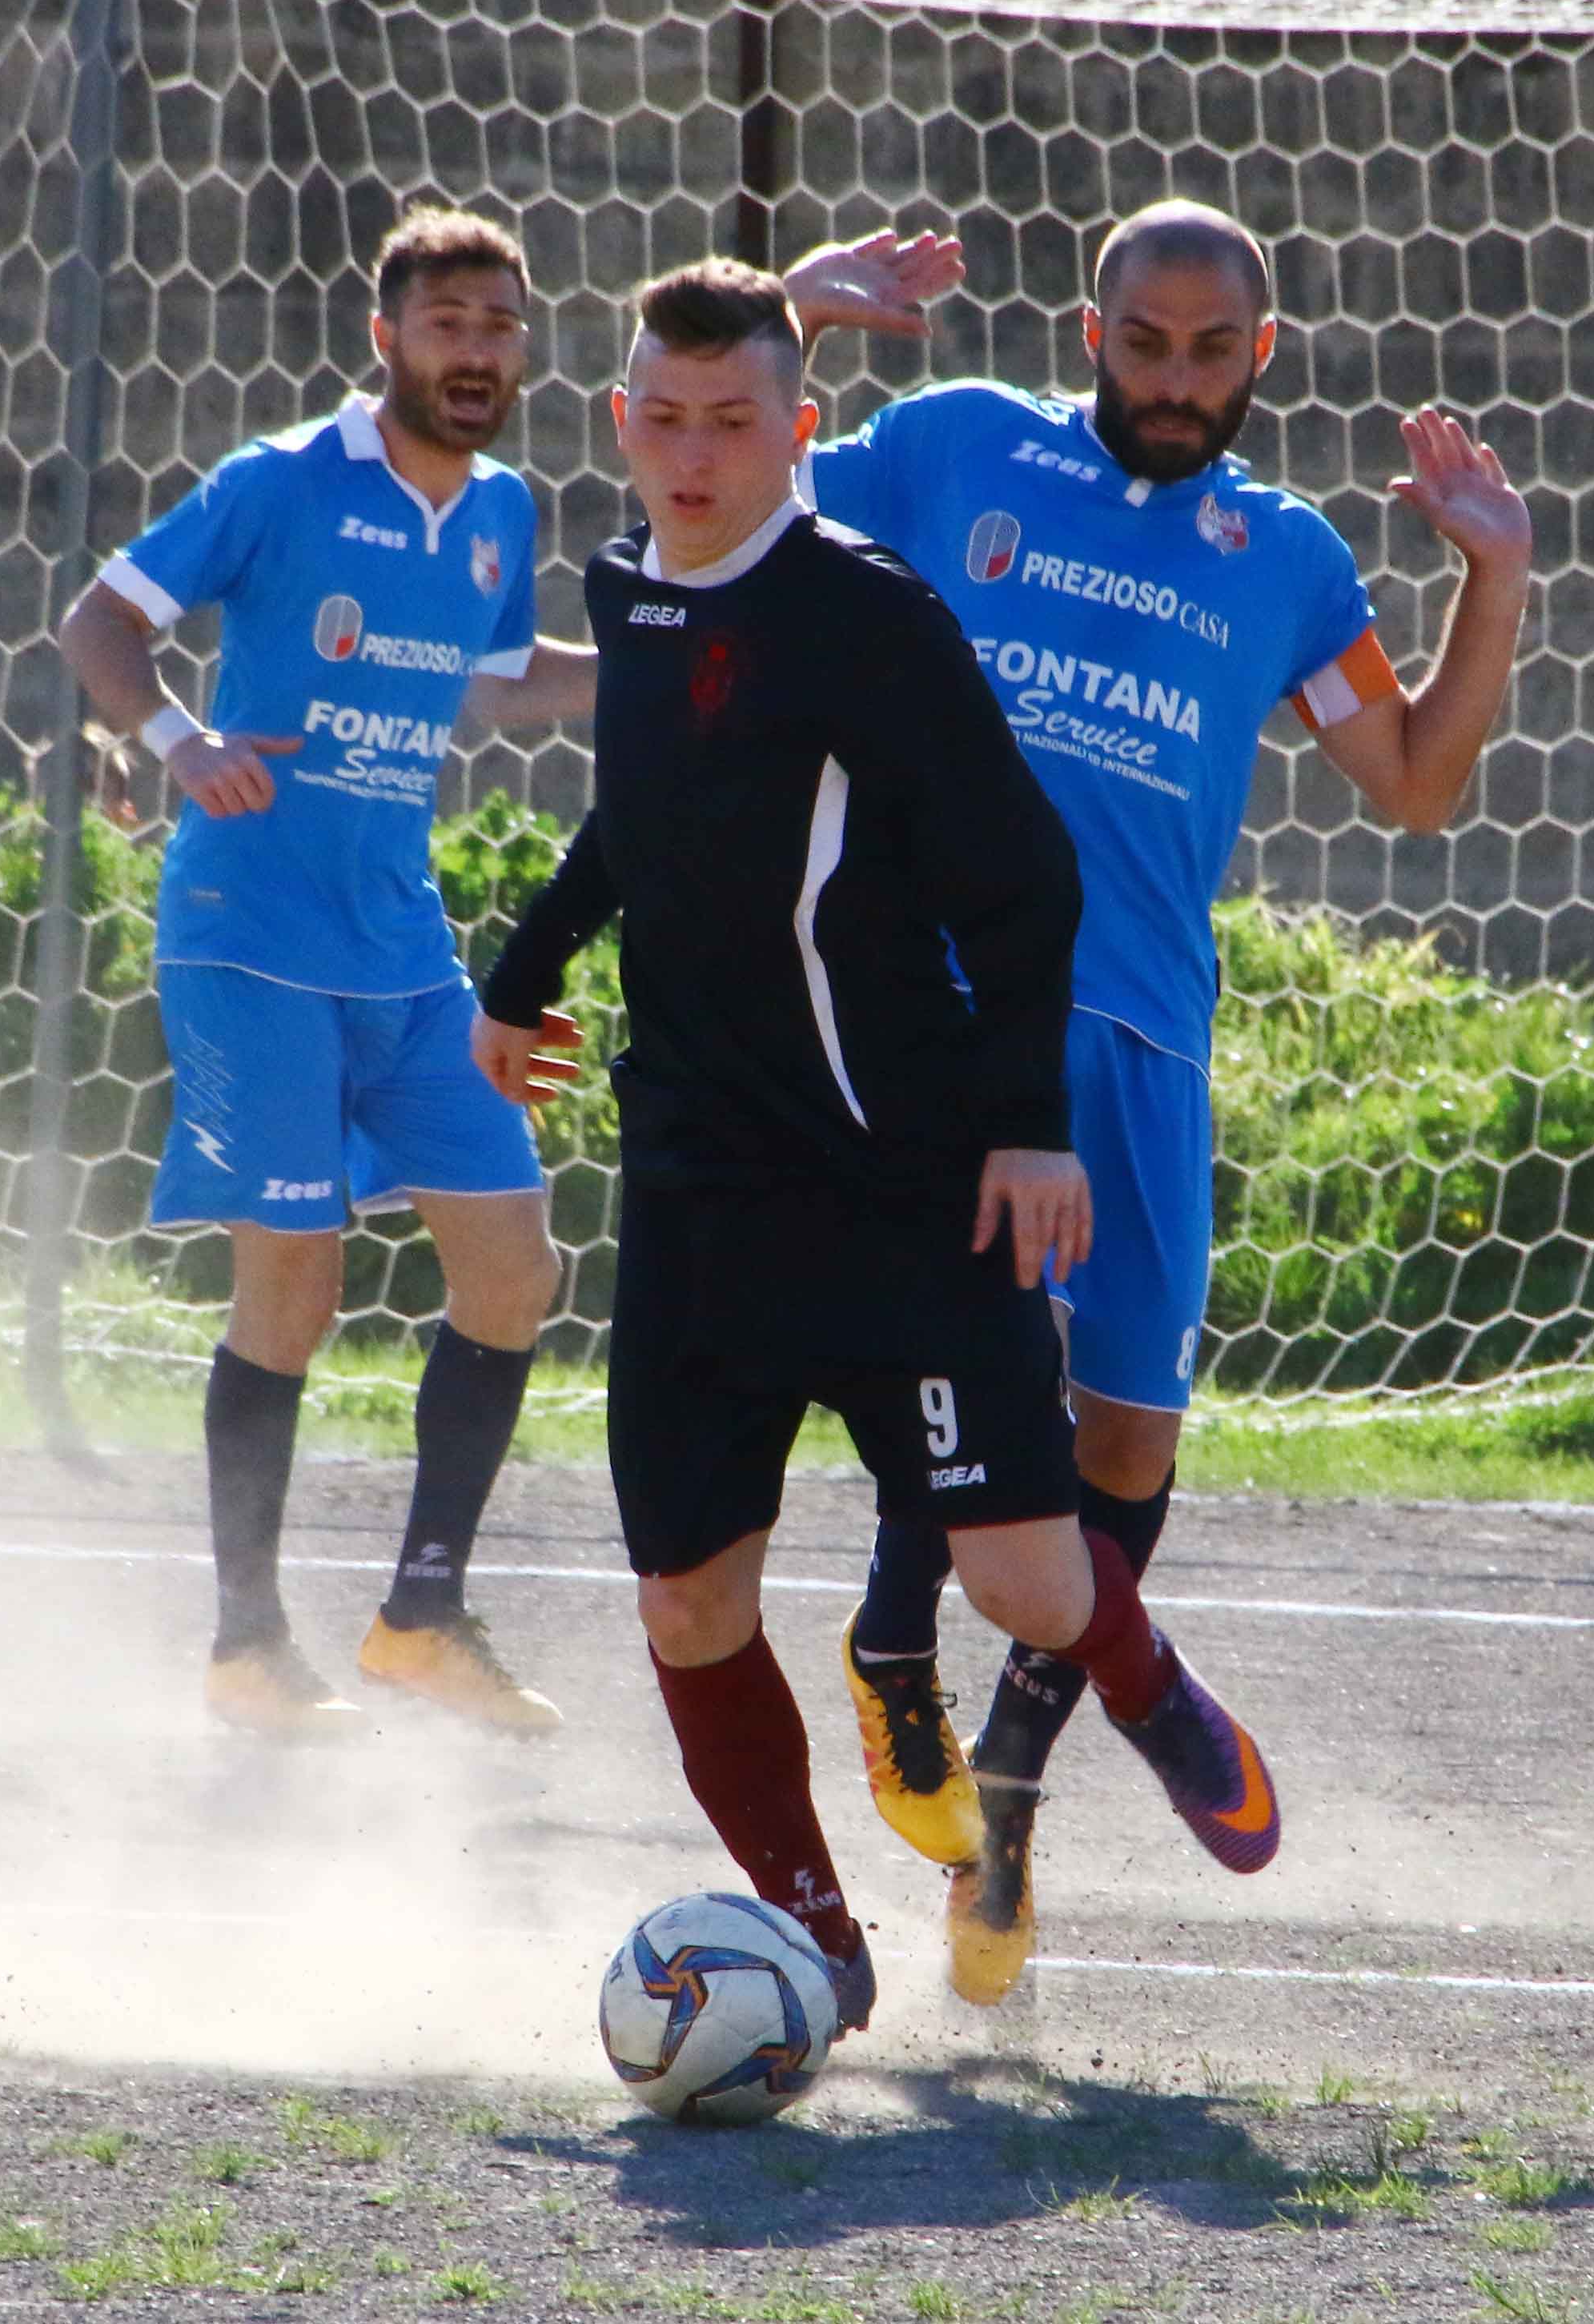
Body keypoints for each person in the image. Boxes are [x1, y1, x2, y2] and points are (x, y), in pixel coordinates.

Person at [470, 258, 1282, 2029]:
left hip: (902, 1181)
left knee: (1028, 1579)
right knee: (685, 1604)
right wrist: (516, 972)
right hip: (698, 1189)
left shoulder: (867, 616)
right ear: (622, 423)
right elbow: (637, 815)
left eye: (733, 423)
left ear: (796, 431)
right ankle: (815, 1944)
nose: (693, 457)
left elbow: (1020, 873)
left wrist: (1026, 1130)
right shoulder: (629, 594)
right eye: (664, 421)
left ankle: (1145, 1689)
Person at [782, 201, 1535, 1994]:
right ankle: (899, 1655)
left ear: (1258, 354)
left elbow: (1417, 785)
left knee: (1124, 1435)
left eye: (1211, 352)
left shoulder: (1281, 557)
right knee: (983, 1372)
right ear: (1088, 331)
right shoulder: (956, 446)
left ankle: (1013, 1800)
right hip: (951, 1021)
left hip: (1145, 1040)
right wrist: (799, 337)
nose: (1175, 381)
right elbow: (735, 505)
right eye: (1145, 344)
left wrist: (1489, 580)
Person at [54, 206, 597, 1740]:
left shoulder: (502, 511)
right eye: (447, 324)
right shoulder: (280, 483)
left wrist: (662, 657)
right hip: (246, 942)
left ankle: (421, 1617)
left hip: (404, 950)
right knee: (292, 1281)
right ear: (389, 338)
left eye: (498, 324)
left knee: (513, 1267)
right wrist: (180, 742)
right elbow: (102, 620)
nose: (477, 351)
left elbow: (496, 689)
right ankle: (244, 1646)